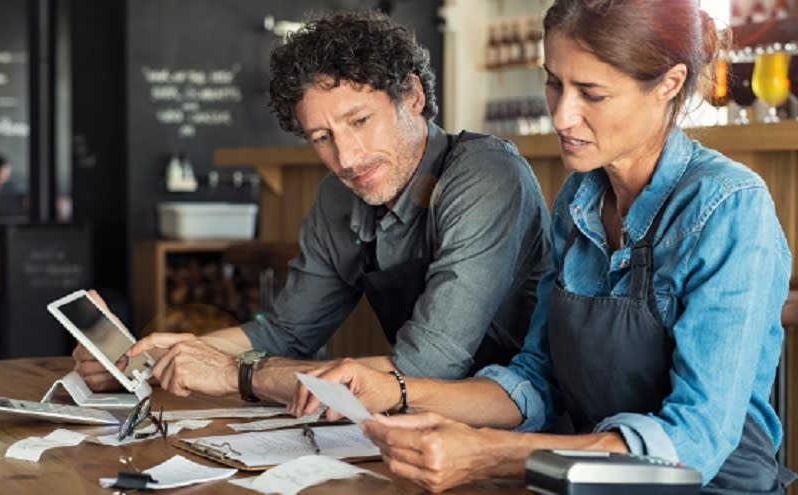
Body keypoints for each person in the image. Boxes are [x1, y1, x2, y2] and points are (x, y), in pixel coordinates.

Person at [291, 1, 795, 493]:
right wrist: (396, 392)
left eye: (591, 93)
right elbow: (536, 378)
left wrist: (492, 454)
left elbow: (697, 440)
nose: (561, 115)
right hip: (575, 480)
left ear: (670, 83)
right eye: (554, 83)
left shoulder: (729, 208)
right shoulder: (580, 198)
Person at [73, 11, 551, 405]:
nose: (346, 158)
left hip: (519, 425)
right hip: (420, 427)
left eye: (360, 120)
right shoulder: (338, 197)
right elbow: (283, 332)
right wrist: (146, 360)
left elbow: (425, 367)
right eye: (322, 138)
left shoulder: (485, 176)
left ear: (413, 96)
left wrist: (239, 376)